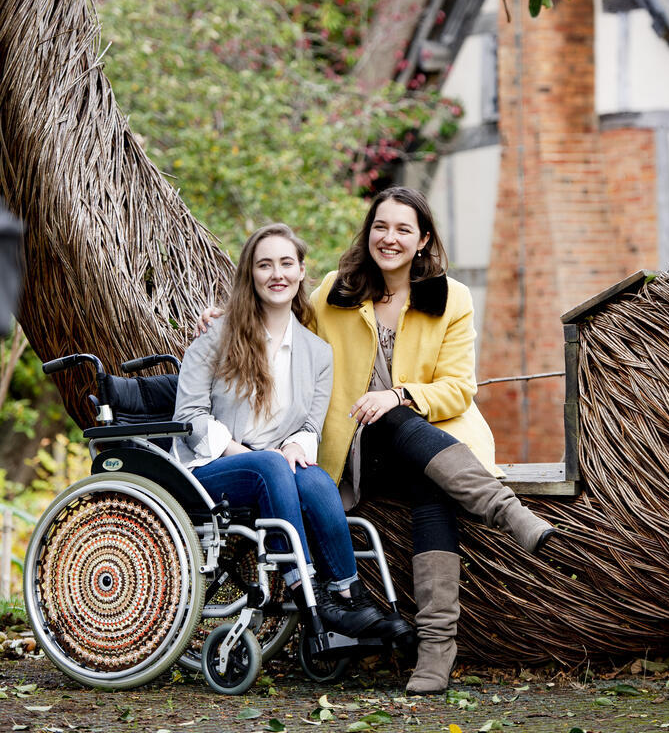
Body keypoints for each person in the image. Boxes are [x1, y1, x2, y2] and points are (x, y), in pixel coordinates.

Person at [195, 191, 555, 694]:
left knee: (429, 482)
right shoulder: (334, 292)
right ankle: (503, 508)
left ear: (423, 239)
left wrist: (400, 394)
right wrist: (225, 318)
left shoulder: (451, 298)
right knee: (385, 420)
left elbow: (459, 388)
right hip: (356, 448)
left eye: (404, 229)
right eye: (380, 227)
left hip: (431, 443)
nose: (390, 238)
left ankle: (435, 651)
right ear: (368, 234)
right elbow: (281, 326)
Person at [175, 222, 410, 645]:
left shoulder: (317, 353)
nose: (276, 274)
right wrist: (235, 449)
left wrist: (297, 446)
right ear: (251, 274)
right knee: (269, 465)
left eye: (286, 263)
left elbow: (309, 425)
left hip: (276, 468)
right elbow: (190, 415)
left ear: (302, 271)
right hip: (211, 471)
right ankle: (311, 596)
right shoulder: (217, 337)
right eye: (265, 265)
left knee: (317, 478)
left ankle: (348, 597)